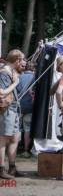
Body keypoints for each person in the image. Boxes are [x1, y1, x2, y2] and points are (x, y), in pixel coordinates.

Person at [0, 49, 26, 179]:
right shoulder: (4, 72)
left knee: (15, 138)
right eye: (22, 60)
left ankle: (12, 168)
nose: (24, 63)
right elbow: (2, 92)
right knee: (3, 139)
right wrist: (16, 83)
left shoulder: (11, 71)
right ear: (17, 60)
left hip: (13, 109)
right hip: (6, 109)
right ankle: (1, 169)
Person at [16, 61, 35, 158]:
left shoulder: (19, 77)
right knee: (27, 128)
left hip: (19, 106)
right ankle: (26, 150)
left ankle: (14, 149)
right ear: (33, 69)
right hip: (30, 107)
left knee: (17, 128)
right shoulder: (35, 77)